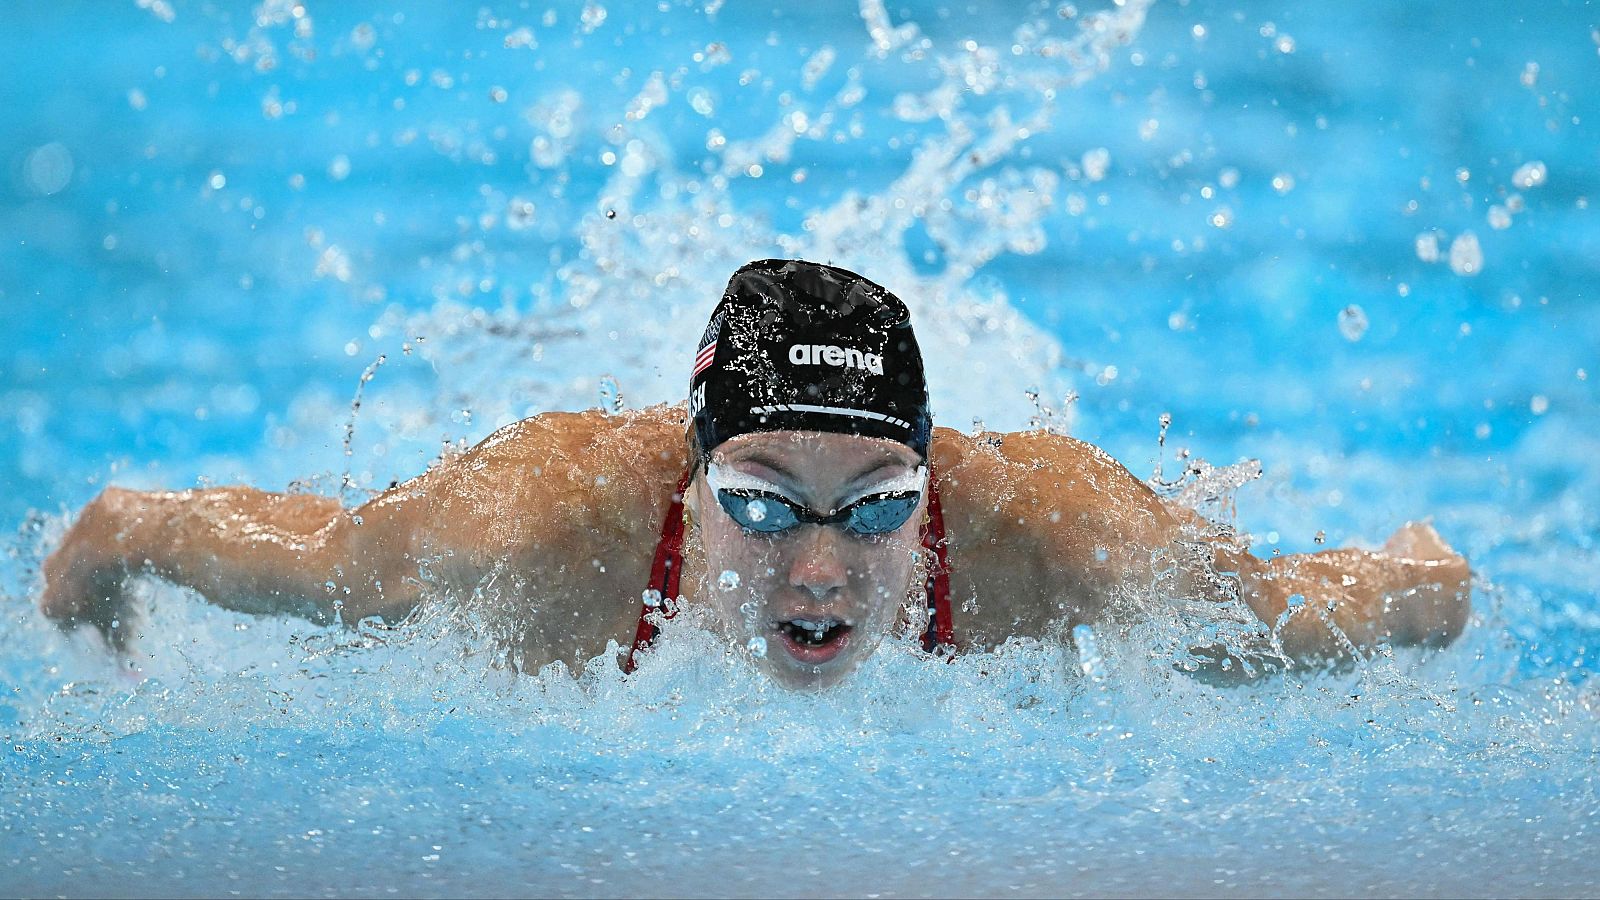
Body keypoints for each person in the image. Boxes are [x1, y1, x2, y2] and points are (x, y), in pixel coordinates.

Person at [40, 259, 1471, 689]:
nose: (823, 564)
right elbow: (317, 561)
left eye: (878, 504)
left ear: (931, 488)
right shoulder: (537, 533)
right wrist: (115, 540)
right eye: (763, 500)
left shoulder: (1053, 536)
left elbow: (1281, 612)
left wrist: (1420, 586)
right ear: (688, 475)